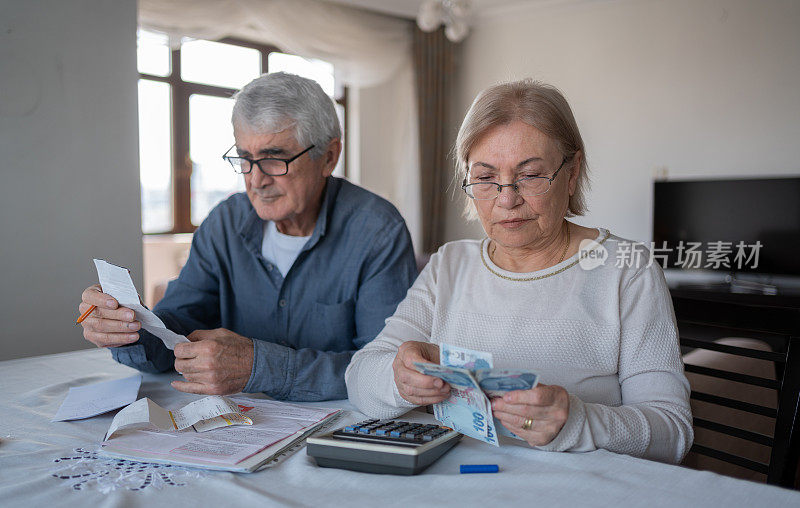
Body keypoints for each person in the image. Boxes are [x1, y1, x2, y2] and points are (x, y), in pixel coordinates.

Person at [345, 79, 693, 463]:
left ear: (572, 171)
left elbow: (672, 433)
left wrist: (577, 421)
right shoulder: (450, 265)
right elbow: (360, 379)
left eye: (529, 175)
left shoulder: (626, 271)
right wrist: (400, 381)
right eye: (485, 178)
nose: (506, 199)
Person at [78, 72, 417, 401]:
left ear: (328, 157)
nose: (256, 181)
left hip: (342, 433)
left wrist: (260, 366)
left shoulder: (377, 232)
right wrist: (127, 329)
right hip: (237, 427)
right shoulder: (224, 224)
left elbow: (384, 369)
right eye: (245, 158)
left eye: (274, 159)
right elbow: (175, 336)